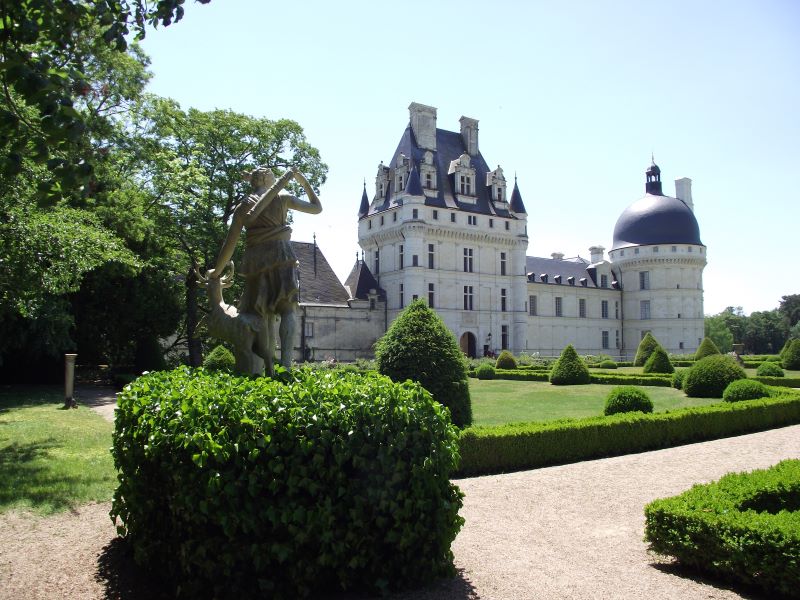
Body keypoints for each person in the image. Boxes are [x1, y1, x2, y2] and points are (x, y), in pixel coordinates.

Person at [208, 166, 322, 375]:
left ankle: (266, 370)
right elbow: (317, 208)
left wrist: (217, 272)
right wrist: (303, 182)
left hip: (256, 260)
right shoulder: (282, 197)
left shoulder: (243, 207)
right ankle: (286, 367)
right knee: (288, 310)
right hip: (282, 255)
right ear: (267, 179)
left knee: (261, 314)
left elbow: (230, 244)